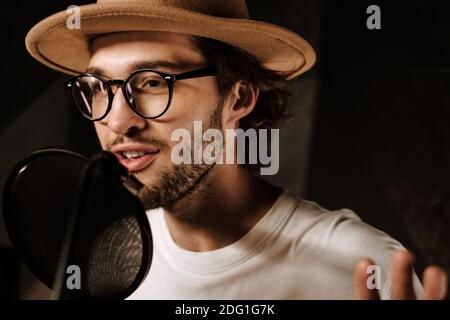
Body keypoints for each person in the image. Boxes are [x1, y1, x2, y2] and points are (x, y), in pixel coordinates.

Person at [25, 0, 447, 299]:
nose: (116, 121)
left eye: (153, 82)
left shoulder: (365, 267)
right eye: (99, 89)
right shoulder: (103, 258)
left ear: (239, 99)